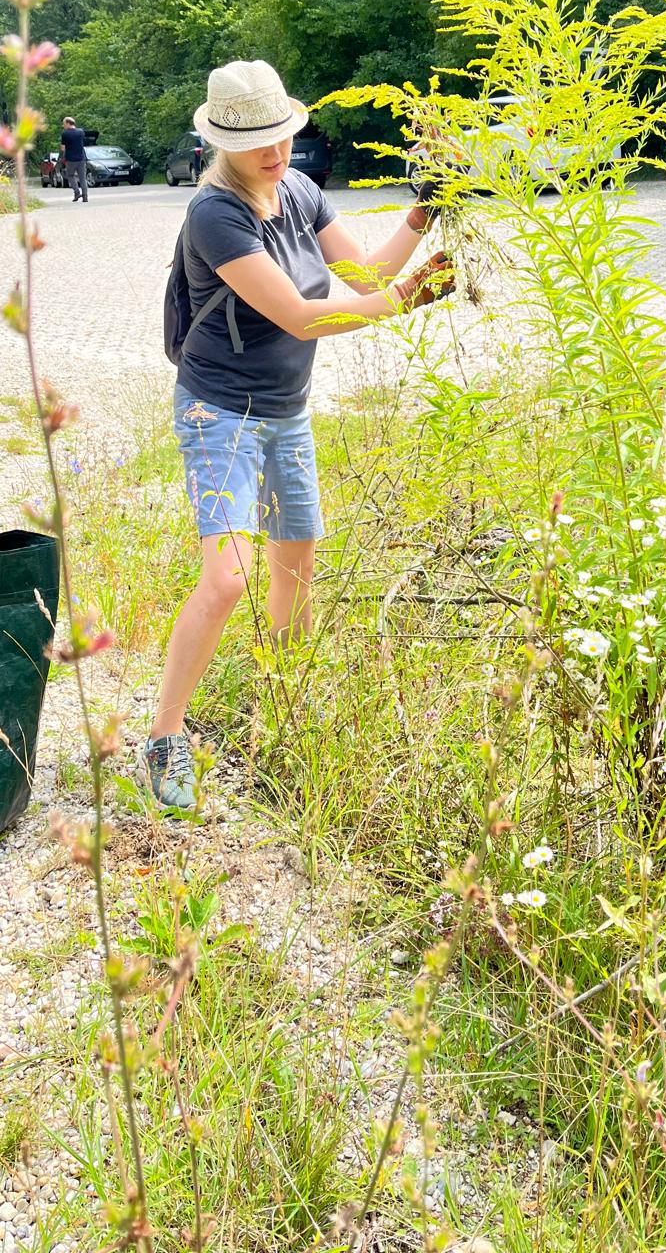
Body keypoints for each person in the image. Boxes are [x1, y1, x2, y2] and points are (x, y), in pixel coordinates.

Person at [145, 60, 455, 810]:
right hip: (220, 411)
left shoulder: (300, 192)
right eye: (258, 142)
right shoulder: (215, 214)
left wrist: (424, 212)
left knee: (295, 567)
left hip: (287, 408)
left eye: (283, 135)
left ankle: (282, 704)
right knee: (229, 578)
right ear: (222, 143)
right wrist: (408, 301)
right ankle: (164, 736)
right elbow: (300, 316)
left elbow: (364, 278)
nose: (276, 152)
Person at [60, 115, 89, 202]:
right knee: (82, 178)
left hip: (71, 160)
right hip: (81, 158)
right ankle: (85, 196)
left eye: (64, 124)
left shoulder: (65, 133)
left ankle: (77, 192)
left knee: (70, 176)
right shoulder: (81, 132)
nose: (63, 125)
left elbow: (62, 148)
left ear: (68, 123)